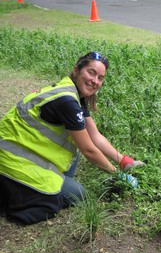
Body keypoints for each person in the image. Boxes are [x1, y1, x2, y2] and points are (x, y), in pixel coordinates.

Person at [0, 52, 144, 224]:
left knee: (74, 152)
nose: (95, 81)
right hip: (13, 162)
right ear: (76, 70)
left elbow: (95, 136)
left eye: (100, 77)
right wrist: (119, 176)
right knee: (79, 195)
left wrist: (123, 161)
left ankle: (58, 182)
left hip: (28, 153)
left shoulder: (73, 94)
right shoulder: (67, 102)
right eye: (91, 72)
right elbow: (89, 150)